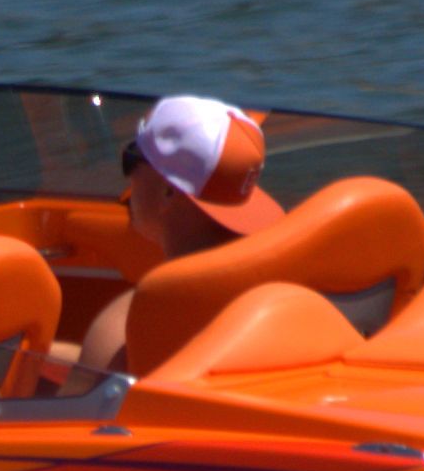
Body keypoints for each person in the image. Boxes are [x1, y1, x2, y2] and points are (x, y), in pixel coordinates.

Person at [66, 94, 285, 374]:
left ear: (169, 192)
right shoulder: (271, 291)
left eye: (132, 157)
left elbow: (70, 414)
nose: (127, 179)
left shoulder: (133, 320)